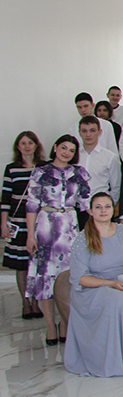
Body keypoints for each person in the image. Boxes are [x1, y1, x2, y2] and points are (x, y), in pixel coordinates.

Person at [63, 191, 123, 376]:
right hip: (93, 289)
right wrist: (110, 283)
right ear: (90, 211)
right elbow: (80, 278)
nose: (103, 211)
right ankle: (112, 358)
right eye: (98, 207)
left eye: (107, 206)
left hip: (121, 285)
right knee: (115, 302)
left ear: (113, 209)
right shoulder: (82, 239)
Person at [26, 135, 91, 344]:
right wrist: (30, 235)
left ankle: (64, 322)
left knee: (67, 276)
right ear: (55, 147)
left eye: (71, 150)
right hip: (46, 227)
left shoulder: (79, 173)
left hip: (70, 227)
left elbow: (86, 204)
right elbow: (31, 205)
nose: (66, 153)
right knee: (45, 277)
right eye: (63, 148)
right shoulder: (40, 172)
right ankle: (49, 326)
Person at [2, 131, 45, 319]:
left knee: (37, 263)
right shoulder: (11, 169)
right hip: (18, 222)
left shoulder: (44, 167)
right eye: (23, 143)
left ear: (36, 145)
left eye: (30, 143)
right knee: (21, 265)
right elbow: (5, 198)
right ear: (18, 147)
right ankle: (25, 302)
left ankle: (36, 302)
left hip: (39, 221)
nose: (27, 146)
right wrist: (3, 224)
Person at [74, 115, 122, 228]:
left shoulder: (110, 157)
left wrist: (106, 207)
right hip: (78, 209)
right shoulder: (74, 157)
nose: (88, 134)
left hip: (101, 210)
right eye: (84, 131)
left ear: (99, 132)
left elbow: (116, 186)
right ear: (79, 133)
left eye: (92, 130)